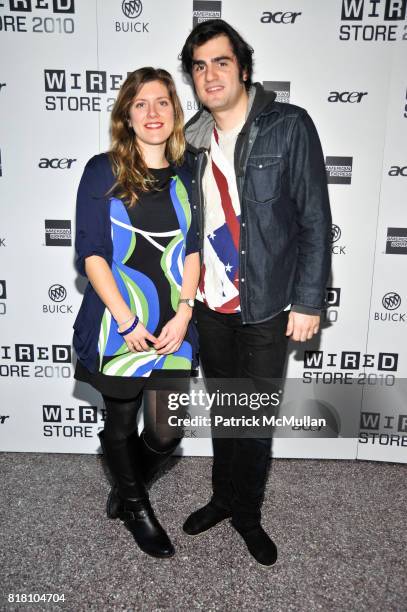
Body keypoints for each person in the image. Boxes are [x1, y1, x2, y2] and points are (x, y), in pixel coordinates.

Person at [180, 20, 331, 566]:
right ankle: (223, 497)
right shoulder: (191, 141)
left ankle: (248, 513)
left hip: (266, 304)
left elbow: (314, 218)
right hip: (210, 306)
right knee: (226, 409)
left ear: (242, 69)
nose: (210, 74)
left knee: (253, 418)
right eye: (199, 66)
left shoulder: (288, 125)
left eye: (221, 62)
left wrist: (310, 300)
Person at [73, 67, 200, 559]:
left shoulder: (189, 172)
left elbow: (193, 248)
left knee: (167, 433)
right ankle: (137, 506)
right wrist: (127, 320)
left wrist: (186, 312)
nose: (153, 112)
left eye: (163, 102)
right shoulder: (102, 170)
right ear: (127, 113)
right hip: (118, 324)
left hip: (173, 322)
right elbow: (92, 254)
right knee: (121, 425)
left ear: (175, 112)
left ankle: (129, 486)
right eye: (141, 103)